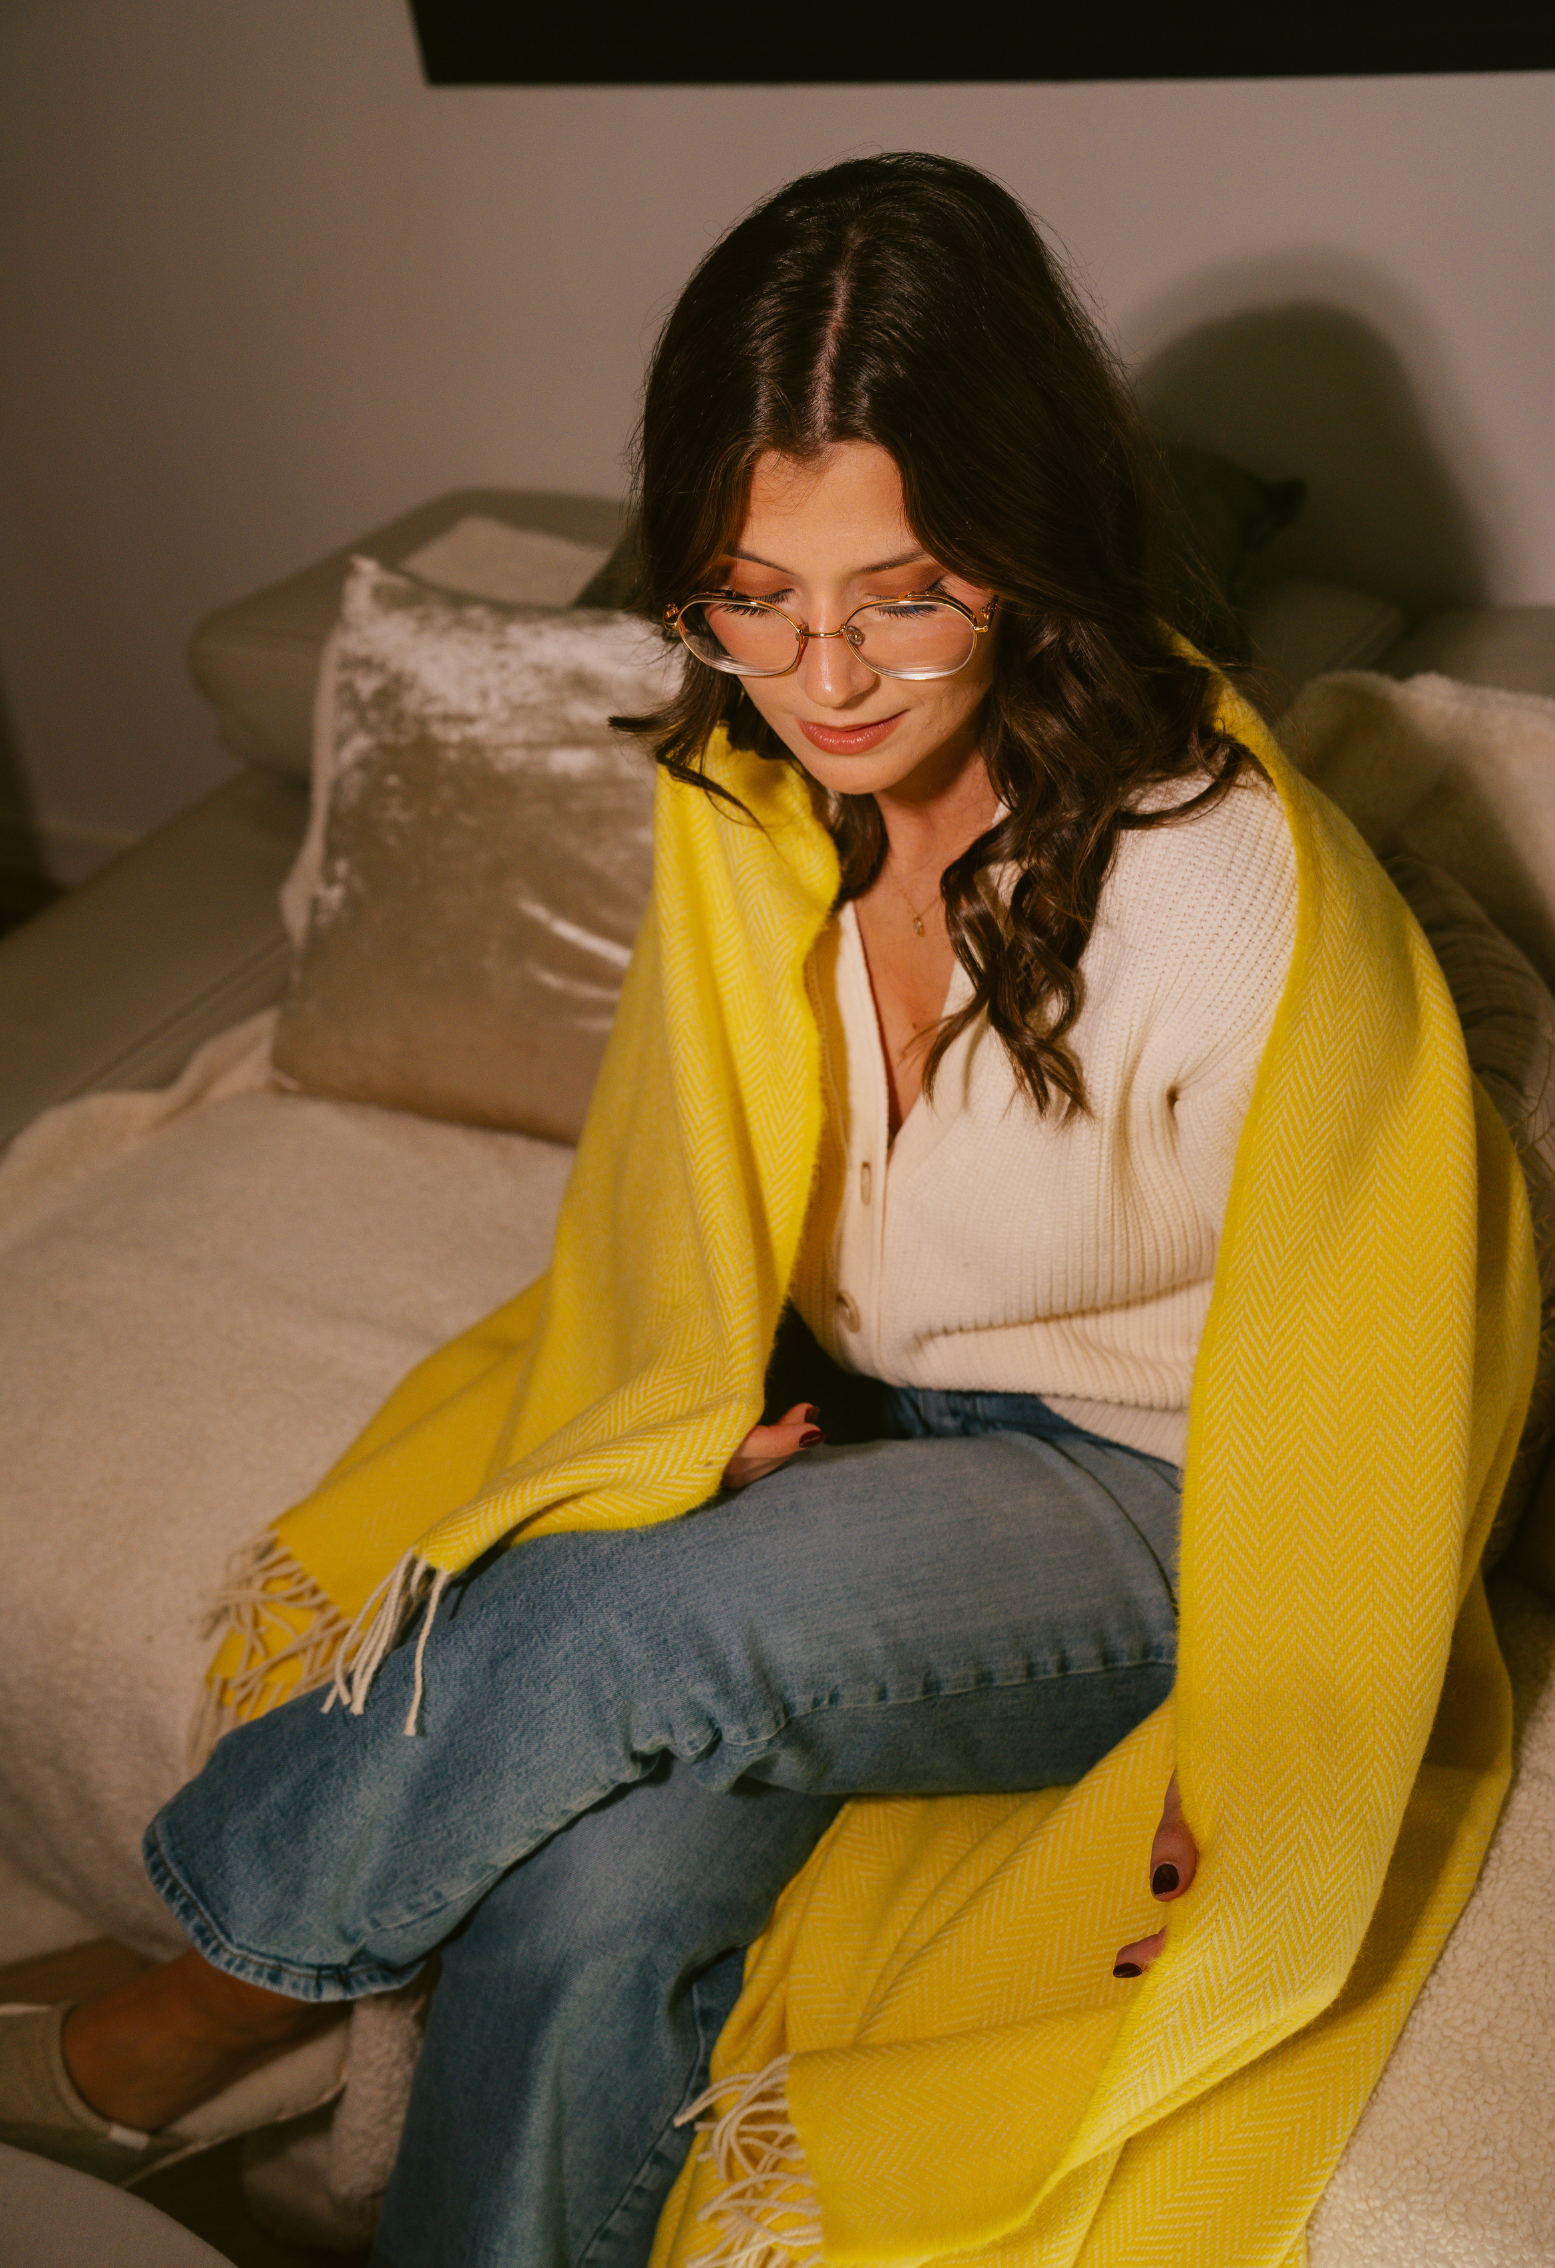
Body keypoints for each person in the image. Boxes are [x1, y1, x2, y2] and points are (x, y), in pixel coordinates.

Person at [7, 154, 1301, 2264]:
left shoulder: (1216, 877)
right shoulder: (748, 796)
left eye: (905, 590)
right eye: (751, 592)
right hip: (882, 1444)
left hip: (1166, 1498)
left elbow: (1374, 1328)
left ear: (1030, 546)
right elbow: (713, 1191)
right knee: (585, 1905)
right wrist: (728, 1383)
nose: (831, 678)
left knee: (601, 1619)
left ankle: (196, 1997)